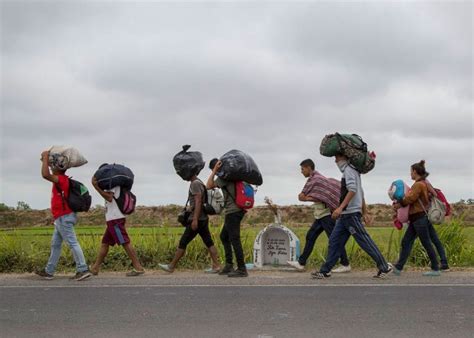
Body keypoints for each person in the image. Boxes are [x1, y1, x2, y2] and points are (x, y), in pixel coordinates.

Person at [313, 153, 392, 279]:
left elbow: (353, 190)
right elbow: (361, 191)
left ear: (345, 158)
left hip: (350, 214)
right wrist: (364, 211)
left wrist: (340, 208)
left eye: (337, 158)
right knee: (334, 241)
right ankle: (325, 270)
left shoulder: (349, 170)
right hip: (345, 215)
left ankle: (384, 266)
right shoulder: (352, 171)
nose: (335, 161)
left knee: (364, 241)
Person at [35, 150, 92, 281]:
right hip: (61, 217)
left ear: (56, 167)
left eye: (51, 165)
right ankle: (49, 271)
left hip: (64, 217)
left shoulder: (61, 179)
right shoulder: (62, 180)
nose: (50, 167)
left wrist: (44, 158)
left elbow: (45, 175)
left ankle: (82, 269)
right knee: (55, 245)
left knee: (72, 242)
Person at [287, 159, 351, 273]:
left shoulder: (317, 179)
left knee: (334, 239)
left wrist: (306, 198)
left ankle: (345, 263)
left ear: (308, 167)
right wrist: (306, 197)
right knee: (310, 236)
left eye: (302, 169)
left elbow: (322, 196)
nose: (301, 172)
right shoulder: (313, 180)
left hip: (326, 215)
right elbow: (314, 195)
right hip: (320, 215)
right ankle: (301, 263)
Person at [159, 170, 221, 273]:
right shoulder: (199, 182)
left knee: (183, 242)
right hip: (203, 218)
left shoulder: (195, 184)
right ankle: (216, 266)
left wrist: (195, 219)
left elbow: (198, 201)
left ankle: (171, 266)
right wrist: (190, 208)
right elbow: (198, 201)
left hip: (197, 219)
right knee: (209, 242)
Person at [392, 160, 442, 276]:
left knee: (426, 243)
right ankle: (399, 267)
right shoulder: (422, 183)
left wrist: (399, 204)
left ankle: (435, 268)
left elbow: (410, 198)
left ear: (415, 171)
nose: (410, 174)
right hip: (418, 219)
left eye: (411, 171)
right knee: (406, 241)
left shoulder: (418, 185)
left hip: (419, 219)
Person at [90, 176, 145, 277]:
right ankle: (95, 268)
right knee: (105, 244)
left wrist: (96, 187)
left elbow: (109, 197)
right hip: (112, 220)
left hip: (115, 220)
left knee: (125, 242)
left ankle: (138, 267)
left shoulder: (111, 184)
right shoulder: (114, 184)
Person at [206, 158, 248, 277]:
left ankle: (242, 268)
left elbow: (208, 186)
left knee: (235, 239)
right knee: (224, 236)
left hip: (233, 212)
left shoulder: (224, 178)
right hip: (238, 210)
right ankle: (229, 265)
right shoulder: (234, 176)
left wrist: (214, 171)